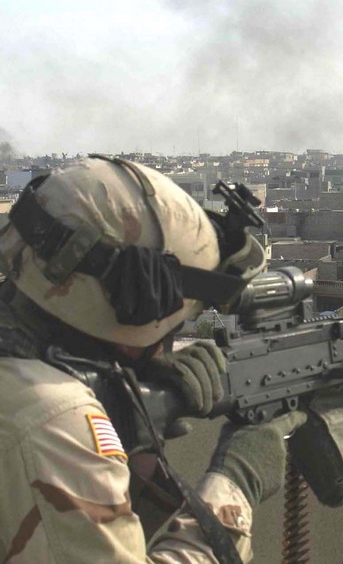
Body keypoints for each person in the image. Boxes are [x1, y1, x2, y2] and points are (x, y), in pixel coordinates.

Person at [0, 156, 307, 562]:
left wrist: (132, 429)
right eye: (176, 323)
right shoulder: (49, 418)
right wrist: (235, 483)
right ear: (136, 310)